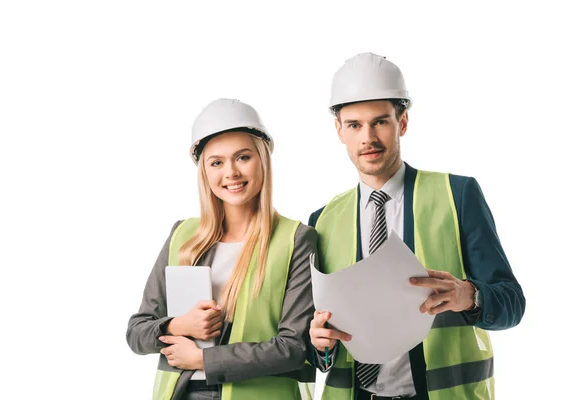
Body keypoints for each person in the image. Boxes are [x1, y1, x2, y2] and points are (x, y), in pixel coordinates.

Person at [307, 53, 525, 400]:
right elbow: (316, 338)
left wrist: (469, 296)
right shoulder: (323, 221)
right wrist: (319, 343)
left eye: (380, 122)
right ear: (339, 131)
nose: (368, 138)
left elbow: (512, 304)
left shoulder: (458, 195)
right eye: (354, 125)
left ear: (402, 122)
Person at [126, 98, 317, 400]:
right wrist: (179, 325)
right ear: (204, 171)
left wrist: (203, 360)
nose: (231, 172)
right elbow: (137, 333)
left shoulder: (296, 239)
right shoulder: (183, 235)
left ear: (263, 159)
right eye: (216, 162)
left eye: (243, 157)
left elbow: (293, 347)